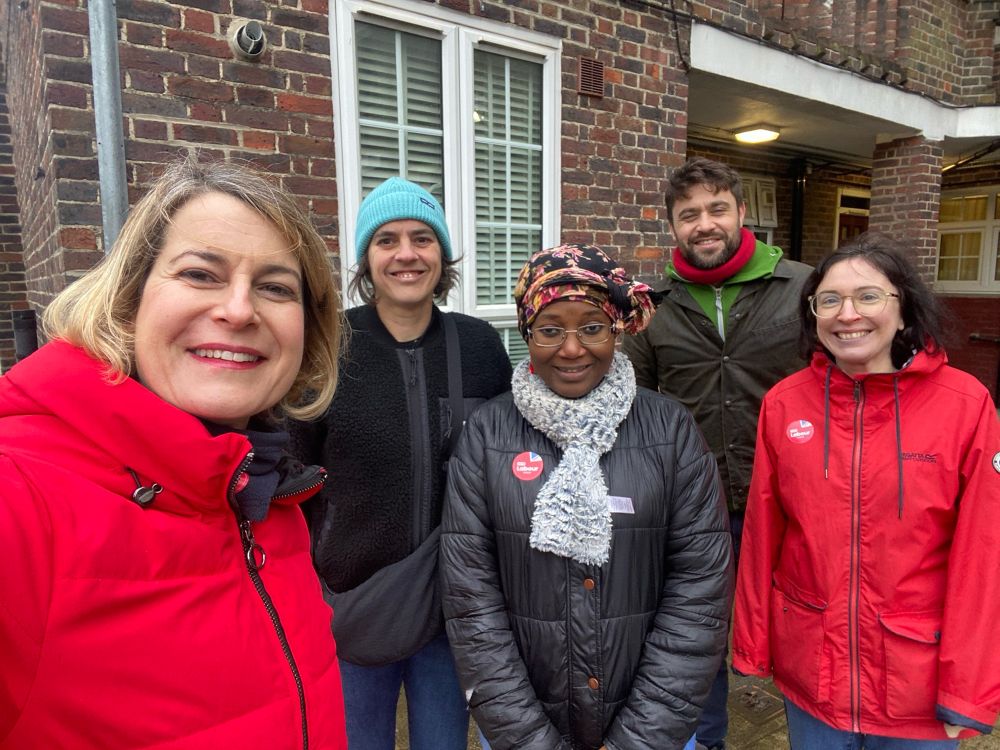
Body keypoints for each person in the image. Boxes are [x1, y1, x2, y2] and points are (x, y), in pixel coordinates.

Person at [0, 157, 348, 748]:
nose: (239, 310)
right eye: (200, 274)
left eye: (274, 287)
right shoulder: (20, 495)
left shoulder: (266, 497)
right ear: (130, 298)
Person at [440, 244, 734, 750]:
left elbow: (699, 592)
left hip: (654, 730)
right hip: (521, 728)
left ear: (617, 330)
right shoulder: (488, 433)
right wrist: (528, 739)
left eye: (592, 328)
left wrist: (640, 740)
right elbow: (471, 601)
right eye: (550, 329)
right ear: (527, 333)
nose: (571, 348)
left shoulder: (671, 429)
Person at [732, 232, 1000, 749]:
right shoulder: (785, 404)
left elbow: (982, 558)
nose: (847, 313)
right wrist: (751, 645)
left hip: (917, 683)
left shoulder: (965, 406)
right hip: (814, 673)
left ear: (904, 311)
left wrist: (967, 689)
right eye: (829, 300)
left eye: (868, 296)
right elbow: (763, 535)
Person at [289, 176, 512, 750]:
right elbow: (295, 472)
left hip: (454, 605)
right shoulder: (329, 347)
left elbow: (509, 462)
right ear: (366, 257)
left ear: (442, 253)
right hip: (352, 601)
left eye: (422, 238)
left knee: (443, 741)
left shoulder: (481, 346)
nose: (407, 254)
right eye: (387, 240)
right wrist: (314, 581)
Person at [622, 156, 812, 750]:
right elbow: (636, 407)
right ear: (672, 227)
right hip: (696, 507)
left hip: (791, 502)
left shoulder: (804, 289)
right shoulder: (651, 308)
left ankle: (818, 726)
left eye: (716, 209)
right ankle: (705, 740)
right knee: (696, 632)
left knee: (804, 625)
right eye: (689, 215)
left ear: (740, 213)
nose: (704, 224)